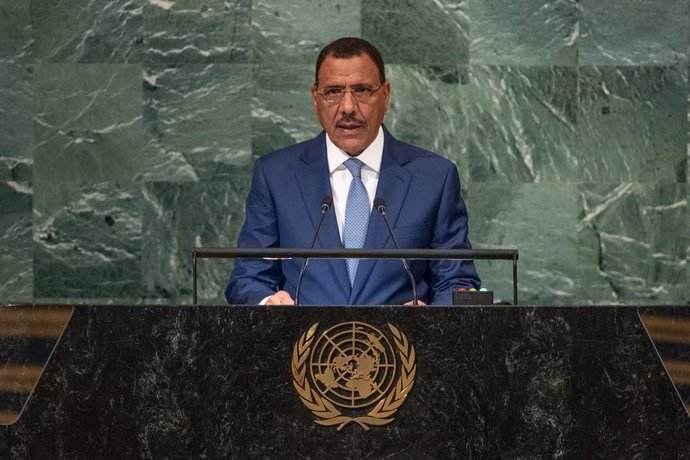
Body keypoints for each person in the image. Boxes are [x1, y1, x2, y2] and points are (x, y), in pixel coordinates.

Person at [225, 37, 480, 306]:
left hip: (401, 346)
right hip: (304, 345)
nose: (348, 108)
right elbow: (248, 279)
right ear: (315, 98)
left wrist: (431, 321)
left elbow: (457, 283)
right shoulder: (276, 175)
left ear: (385, 95)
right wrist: (269, 304)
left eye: (362, 90)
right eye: (333, 92)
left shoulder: (434, 177)